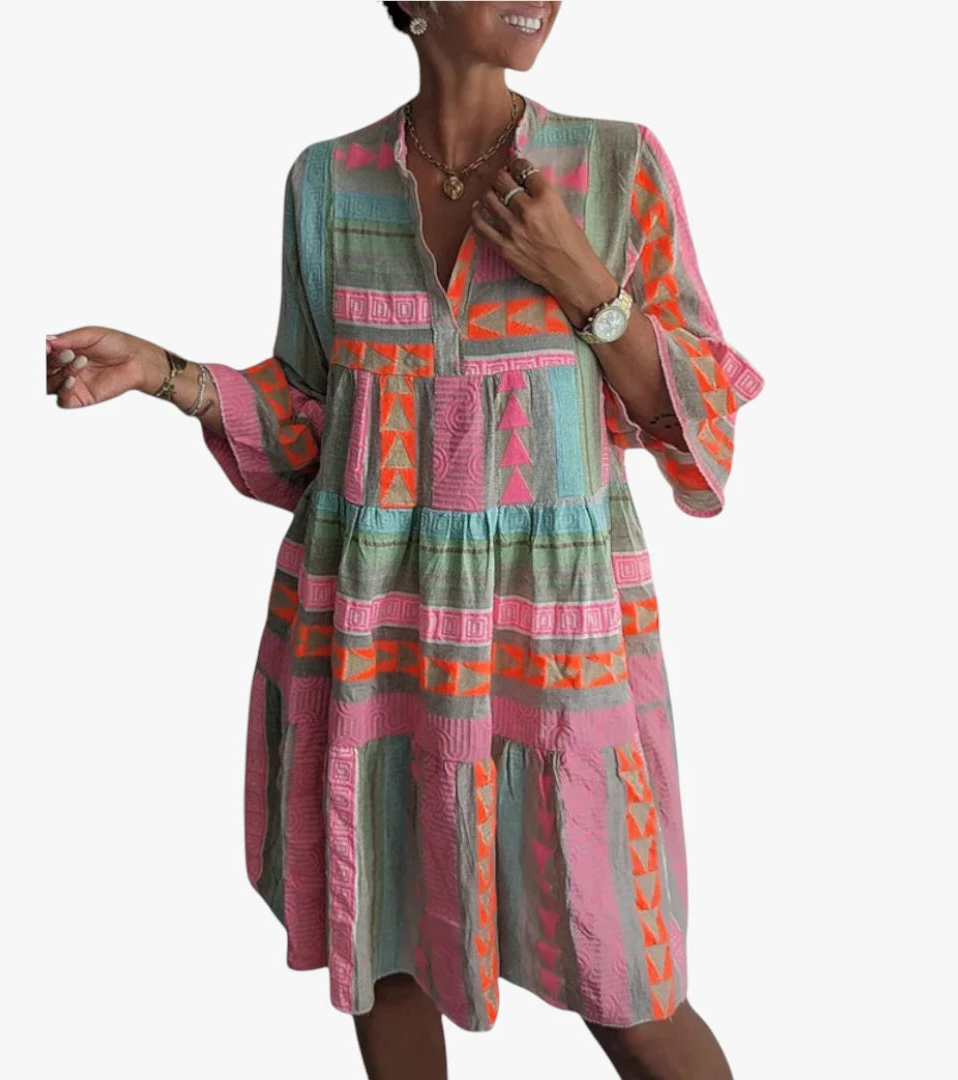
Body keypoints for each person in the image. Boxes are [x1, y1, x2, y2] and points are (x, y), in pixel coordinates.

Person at [44, 2, 764, 1076]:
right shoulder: (327, 183)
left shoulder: (617, 168)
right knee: (385, 947)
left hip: (551, 640)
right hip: (376, 630)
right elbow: (313, 427)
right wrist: (169, 375)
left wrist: (583, 281)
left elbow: (696, 421)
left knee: (628, 979)